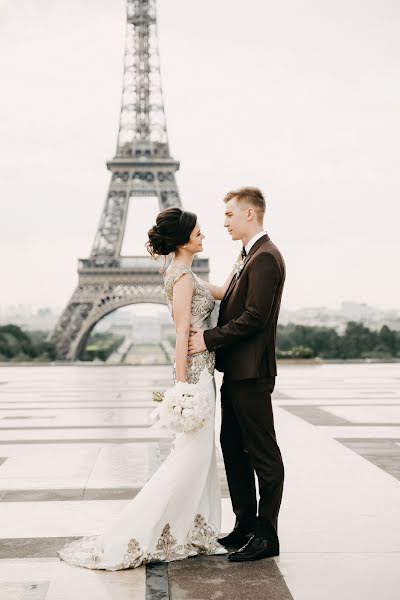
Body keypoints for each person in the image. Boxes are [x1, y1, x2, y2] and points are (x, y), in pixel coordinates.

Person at [57, 207, 230, 570]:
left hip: (203, 372)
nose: (203, 236)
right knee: (190, 458)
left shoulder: (185, 273)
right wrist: (183, 388)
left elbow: (224, 291)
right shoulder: (181, 278)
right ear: (182, 240)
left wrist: (244, 260)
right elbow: (182, 332)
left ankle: (189, 529)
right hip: (196, 375)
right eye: (198, 232)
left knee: (196, 458)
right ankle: (153, 528)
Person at [189, 187, 286, 562]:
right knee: (233, 449)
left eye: (229, 214)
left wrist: (207, 339)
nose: (224, 221)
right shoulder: (249, 256)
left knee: (263, 455)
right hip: (238, 372)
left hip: (252, 374)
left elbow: (254, 317)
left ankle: (267, 534)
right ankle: (245, 526)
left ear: (250, 214)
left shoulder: (264, 257)